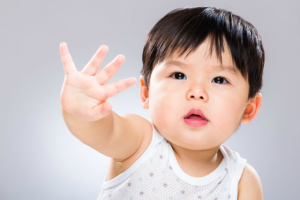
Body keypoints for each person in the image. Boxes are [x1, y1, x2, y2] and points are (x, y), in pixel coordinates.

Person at [60, 6, 264, 200]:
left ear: (249, 108)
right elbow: (106, 132)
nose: (197, 92)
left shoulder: (242, 180)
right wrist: (80, 113)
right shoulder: (139, 143)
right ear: (146, 92)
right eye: (179, 75)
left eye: (219, 80)